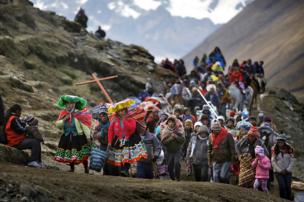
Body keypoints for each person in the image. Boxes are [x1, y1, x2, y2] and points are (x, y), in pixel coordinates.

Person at [107, 99, 147, 176]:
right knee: (120, 156)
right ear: (117, 112)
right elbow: (110, 131)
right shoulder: (114, 120)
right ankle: (122, 171)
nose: (122, 112)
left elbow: (131, 129)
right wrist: (109, 141)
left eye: (123, 110)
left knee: (127, 156)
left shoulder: (131, 119)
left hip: (129, 140)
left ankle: (124, 170)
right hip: (118, 140)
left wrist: (124, 120)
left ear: (126, 111)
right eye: (120, 111)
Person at [54, 95, 92, 173]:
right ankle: (72, 168)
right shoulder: (63, 113)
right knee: (69, 152)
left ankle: (86, 167)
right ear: (65, 104)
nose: (69, 105)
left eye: (71, 103)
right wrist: (64, 120)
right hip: (67, 136)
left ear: (75, 104)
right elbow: (58, 125)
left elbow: (84, 126)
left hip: (79, 136)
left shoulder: (80, 114)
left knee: (82, 152)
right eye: (68, 103)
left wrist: (88, 137)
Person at [160, 116, 185, 181]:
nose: (171, 123)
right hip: (168, 151)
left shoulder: (179, 130)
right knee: (169, 165)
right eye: (169, 122)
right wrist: (170, 138)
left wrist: (176, 136)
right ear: (167, 123)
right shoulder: (164, 131)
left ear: (175, 123)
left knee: (177, 163)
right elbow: (163, 142)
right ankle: (172, 178)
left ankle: (178, 177)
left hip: (177, 150)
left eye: (172, 122)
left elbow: (182, 140)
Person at [271, 134, 294, 200]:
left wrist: (288, 169)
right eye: (278, 142)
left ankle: (289, 198)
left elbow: (292, 160)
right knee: (282, 186)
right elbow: (273, 161)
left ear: (284, 142)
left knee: (288, 186)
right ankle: (282, 199)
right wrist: (279, 170)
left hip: (288, 171)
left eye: (281, 141)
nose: (279, 143)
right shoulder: (274, 149)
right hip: (278, 172)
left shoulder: (290, 149)